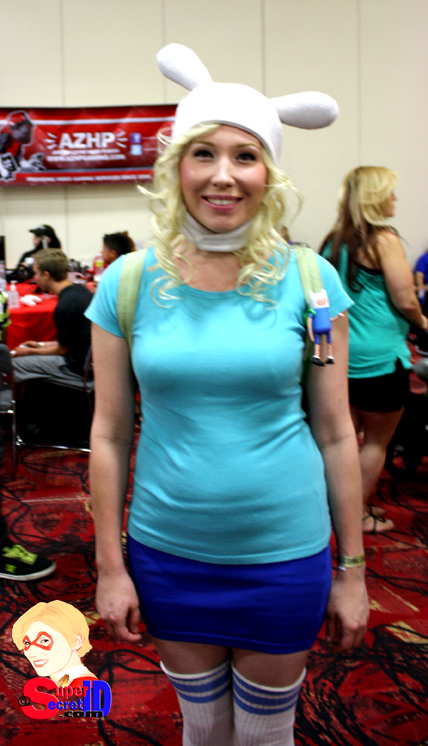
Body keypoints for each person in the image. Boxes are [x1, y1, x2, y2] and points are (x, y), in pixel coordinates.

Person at [86, 43, 368, 746]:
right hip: (168, 551)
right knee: (204, 728)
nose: (223, 175)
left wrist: (354, 569)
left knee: (267, 735)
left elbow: (337, 432)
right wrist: (110, 566)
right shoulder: (128, 282)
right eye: (203, 153)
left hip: (285, 553)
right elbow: (109, 435)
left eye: (245, 156)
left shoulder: (310, 281)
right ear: (175, 166)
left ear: (268, 171)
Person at [320, 166, 428, 534]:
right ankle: (358, 516)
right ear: (376, 197)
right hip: (380, 359)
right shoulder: (384, 239)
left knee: (343, 441)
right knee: (377, 444)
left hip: (340, 356)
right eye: (390, 192)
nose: (395, 198)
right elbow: (406, 299)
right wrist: (423, 322)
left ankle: (335, 510)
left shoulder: (334, 240)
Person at [11, 249, 92, 385]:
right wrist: (40, 345)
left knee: (13, 364)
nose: (34, 278)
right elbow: (69, 341)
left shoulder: (64, 306)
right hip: (88, 361)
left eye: (36, 273)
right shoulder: (80, 291)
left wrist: (29, 352)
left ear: (46, 275)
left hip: (75, 367)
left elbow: (62, 349)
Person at [12, 600, 96, 686]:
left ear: (77, 641)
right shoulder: (63, 685)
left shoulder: (87, 687)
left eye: (44, 641)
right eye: (27, 643)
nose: (32, 653)